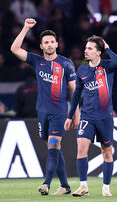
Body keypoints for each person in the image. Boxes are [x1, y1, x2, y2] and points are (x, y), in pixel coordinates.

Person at [10, 18, 79, 196]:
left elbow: (74, 90)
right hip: (42, 112)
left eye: (52, 42)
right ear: (41, 46)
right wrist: (25, 28)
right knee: (54, 148)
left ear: (57, 44)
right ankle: (65, 186)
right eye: (46, 42)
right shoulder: (37, 61)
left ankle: (46, 184)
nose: (49, 45)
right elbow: (14, 49)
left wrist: (75, 113)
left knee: (54, 145)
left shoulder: (66, 64)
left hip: (59, 113)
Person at [64, 35, 117, 197]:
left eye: (90, 48)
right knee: (81, 148)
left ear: (99, 52)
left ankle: (106, 187)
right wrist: (70, 116)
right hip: (87, 116)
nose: (86, 51)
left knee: (107, 152)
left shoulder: (107, 66)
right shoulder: (82, 70)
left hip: (105, 117)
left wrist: (108, 47)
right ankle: (83, 186)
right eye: (86, 48)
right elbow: (76, 94)